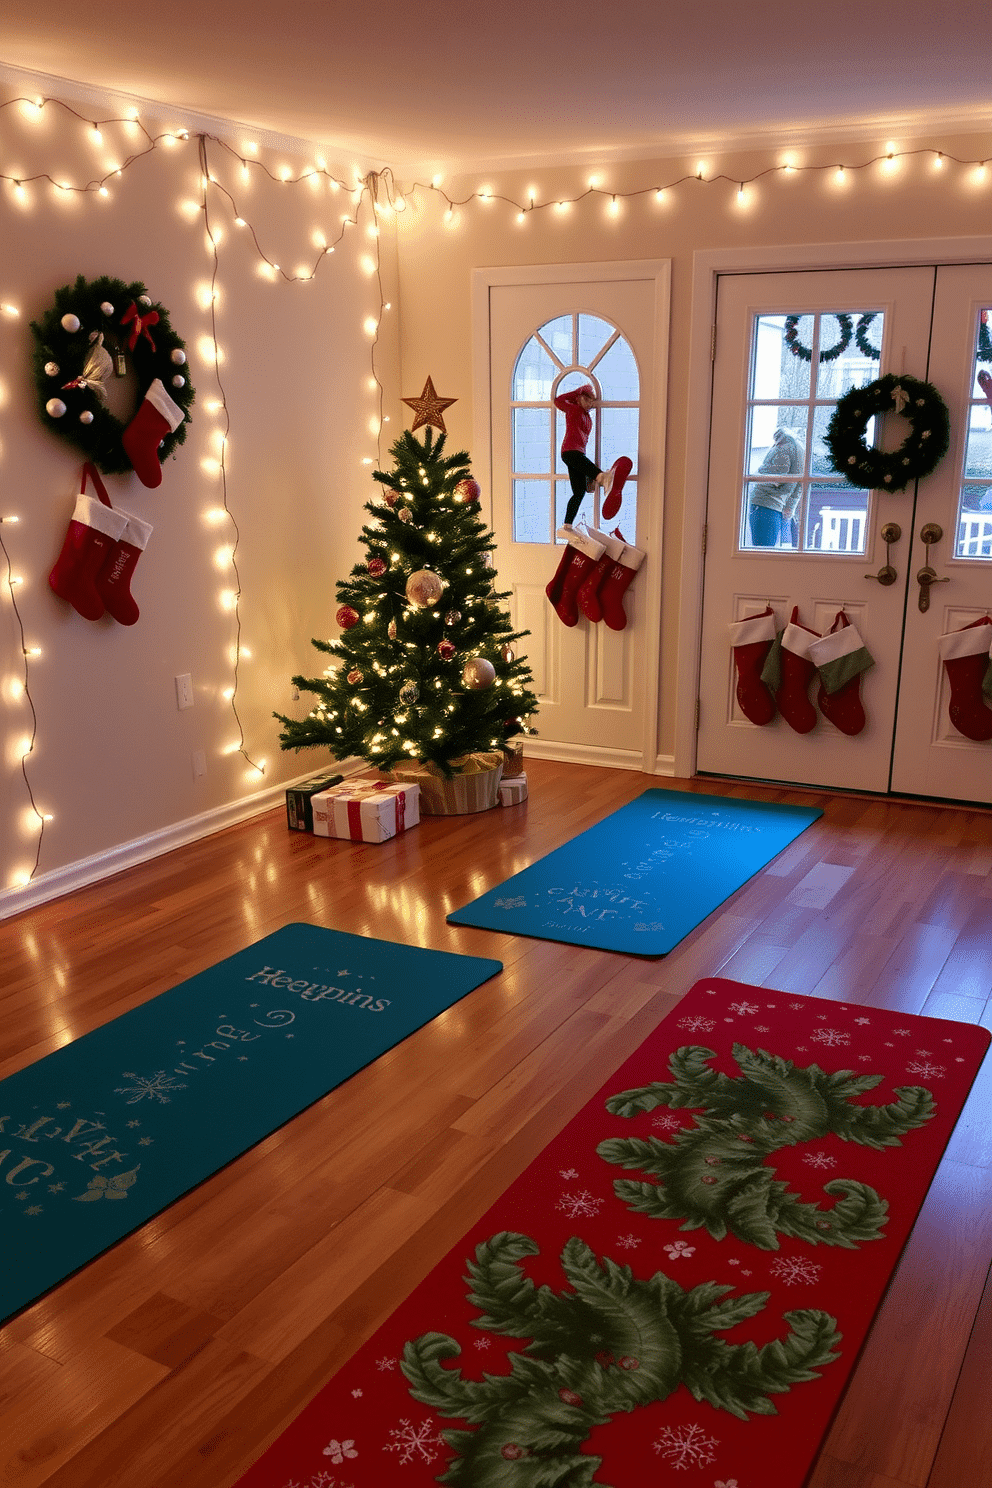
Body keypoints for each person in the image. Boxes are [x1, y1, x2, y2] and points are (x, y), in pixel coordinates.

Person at [555, 384, 605, 532]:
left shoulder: (586, 415)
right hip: (571, 451)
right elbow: (558, 401)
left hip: (578, 452)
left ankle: (567, 524)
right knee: (595, 473)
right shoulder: (574, 409)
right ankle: (601, 477)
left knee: (579, 491)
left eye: (592, 402)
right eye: (588, 400)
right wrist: (576, 392)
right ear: (580, 399)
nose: (591, 404)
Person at [748, 426, 804, 548]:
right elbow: (799, 484)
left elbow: (776, 477)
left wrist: (757, 475)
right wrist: (790, 507)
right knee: (771, 553)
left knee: (761, 554)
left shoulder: (782, 449)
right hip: (777, 508)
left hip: (765, 505)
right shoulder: (798, 449)